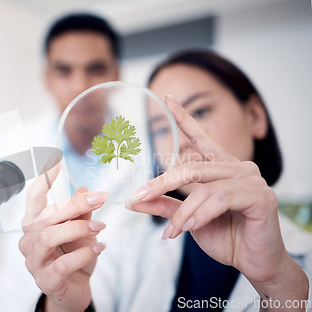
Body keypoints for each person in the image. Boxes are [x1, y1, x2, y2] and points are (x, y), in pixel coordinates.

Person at [19, 49, 312, 312]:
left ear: (255, 116)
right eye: (161, 128)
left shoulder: (301, 261)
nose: (180, 142)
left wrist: (280, 288)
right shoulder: (126, 246)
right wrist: (64, 304)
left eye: (199, 111)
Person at [0, 13, 142, 312]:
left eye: (95, 69)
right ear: (47, 78)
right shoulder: (10, 147)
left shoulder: (147, 154)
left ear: (116, 74)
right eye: (64, 70)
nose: (80, 86)